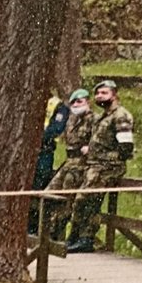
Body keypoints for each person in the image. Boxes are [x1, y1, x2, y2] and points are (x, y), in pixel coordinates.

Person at [66, 80, 134, 254]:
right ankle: (76, 237)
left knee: (86, 199)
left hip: (108, 167)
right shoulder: (103, 116)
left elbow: (126, 146)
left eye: (104, 93)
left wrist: (111, 159)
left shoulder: (120, 115)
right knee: (82, 200)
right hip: (94, 165)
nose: (99, 96)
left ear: (114, 94)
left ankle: (86, 239)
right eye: (97, 93)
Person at [45, 88, 95, 242]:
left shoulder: (95, 120)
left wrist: (90, 148)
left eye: (80, 101)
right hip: (68, 161)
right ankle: (47, 232)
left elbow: (101, 141)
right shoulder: (71, 120)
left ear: (88, 102)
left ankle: (63, 235)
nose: (76, 104)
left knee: (68, 199)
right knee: (48, 194)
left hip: (81, 163)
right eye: (73, 102)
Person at [28, 91, 70, 235]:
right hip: (25, 152)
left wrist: (35, 136)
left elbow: (56, 129)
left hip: (44, 152)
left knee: (39, 188)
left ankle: (35, 229)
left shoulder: (58, 106)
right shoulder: (28, 99)